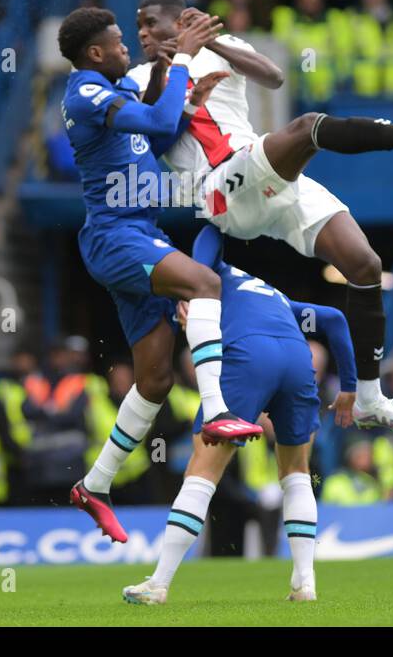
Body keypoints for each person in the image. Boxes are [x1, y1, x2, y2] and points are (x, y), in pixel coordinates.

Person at [129, 0, 393, 435]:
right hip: (221, 187)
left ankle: (369, 397)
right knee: (306, 128)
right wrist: (178, 63)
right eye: (139, 29)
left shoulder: (220, 45)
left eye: (151, 23)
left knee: (365, 265)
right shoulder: (137, 77)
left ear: (182, 20)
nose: (144, 34)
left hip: (267, 177)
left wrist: (213, 45)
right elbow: (155, 133)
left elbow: (274, 76)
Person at [56, 7, 264, 543]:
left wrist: (184, 95)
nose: (129, 46)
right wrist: (185, 61)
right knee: (205, 284)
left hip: (140, 233)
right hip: (114, 235)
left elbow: (161, 125)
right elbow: (152, 122)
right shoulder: (85, 92)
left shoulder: (114, 92)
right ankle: (217, 410)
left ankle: (95, 486)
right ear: (95, 52)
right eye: (120, 40)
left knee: (154, 380)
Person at [121, 225, 356, 604]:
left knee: (202, 471)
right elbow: (333, 319)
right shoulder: (268, 292)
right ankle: (305, 583)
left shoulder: (204, 274)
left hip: (248, 357)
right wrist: (349, 386)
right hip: (298, 360)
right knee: (296, 473)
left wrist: (215, 213)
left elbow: (209, 234)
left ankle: (159, 583)